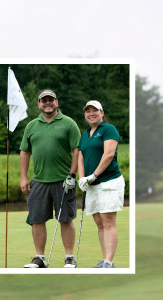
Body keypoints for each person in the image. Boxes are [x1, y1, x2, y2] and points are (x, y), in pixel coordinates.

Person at [20, 89, 80, 268]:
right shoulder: (31, 126)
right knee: (37, 219)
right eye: (43, 100)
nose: (47, 103)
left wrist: (72, 175)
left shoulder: (69, 123)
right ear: (38, 104)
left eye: (50, 100)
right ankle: (40, 258)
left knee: (65, 219)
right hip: (38, 181)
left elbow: (76, 150)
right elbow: (25, 152)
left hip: (64, 181)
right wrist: (24, 177)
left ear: (57, 102)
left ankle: (69, 257)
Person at [77, 100, 124, 268]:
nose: (91, 113)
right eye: (88, 111)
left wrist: (94, 175)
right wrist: (82, 178)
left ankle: (109, 262)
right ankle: (105, 260)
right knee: (99, 222)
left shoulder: (109, 129)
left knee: (108, 221)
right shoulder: (85, 134)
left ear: (102, 113)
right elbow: (80, 157)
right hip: (92, 185)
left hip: (109, 182)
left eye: (95, 110)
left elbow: (109, 154)